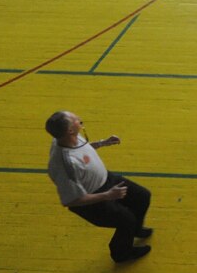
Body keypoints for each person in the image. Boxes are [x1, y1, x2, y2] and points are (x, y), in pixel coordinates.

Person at [45, 110, 152, 265]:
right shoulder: (66, 164)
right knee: (126, 220)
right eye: (75, 119)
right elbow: (72, 200)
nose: (79, 118)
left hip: (107, 180)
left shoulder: (66, 138)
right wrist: (108, 195)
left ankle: (135, 229)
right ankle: (122, 253)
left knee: (142, 196)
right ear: (69, 130)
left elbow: (83, 149)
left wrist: (102, 143)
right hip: (93, 199)